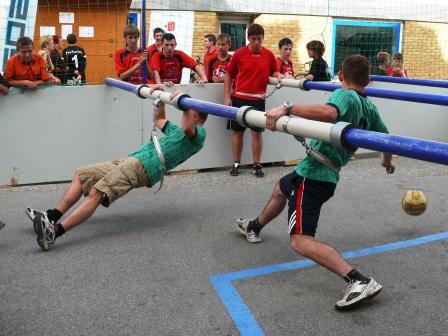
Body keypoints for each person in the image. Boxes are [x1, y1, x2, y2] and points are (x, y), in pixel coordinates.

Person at [236, 54, 395, 310]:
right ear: (367, 80)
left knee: (300, 241)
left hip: (314, 176)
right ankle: (254, 226)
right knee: (280, 188)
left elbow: (329, 112)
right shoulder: (370, 107)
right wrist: (387, 161)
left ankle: (358, 281)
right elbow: (385, 138)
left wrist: (286, 108)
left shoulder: (346, 95)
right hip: (322, 173)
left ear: (341, 76)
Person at [26, 87, 208, 251]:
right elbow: (159, 119)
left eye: (191, 112)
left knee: (97, 193)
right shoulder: (176, 130)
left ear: (199, 118)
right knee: (82, 174)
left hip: (144, 167)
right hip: (132, 159)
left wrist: (185, 104)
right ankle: (52, 216)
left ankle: (54, 233)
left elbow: (187, 128)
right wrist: (160, 98)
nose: (187, 113)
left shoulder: (199, 134)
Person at [224, 23, 280, 177]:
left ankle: (256, 164)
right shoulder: (239, 54)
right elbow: (229, 75)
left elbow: (275, 71)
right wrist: (227, 97)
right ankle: (236, 163)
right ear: (248, 38)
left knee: (257, 133)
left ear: (263, 38)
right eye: (253, 39)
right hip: (239, 98)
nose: (256, 42)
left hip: (258, 100)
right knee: (237, 132)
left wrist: (279, 76)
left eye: (259, 39)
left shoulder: (269, 55)